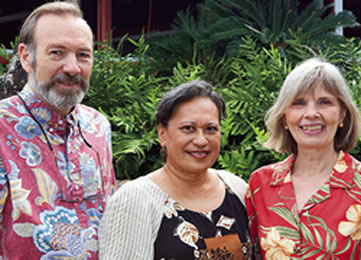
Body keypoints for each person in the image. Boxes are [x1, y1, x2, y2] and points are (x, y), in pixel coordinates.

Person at [0, 1, 116, 258]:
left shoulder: (98, 126)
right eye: (57, 53)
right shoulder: (2, 127)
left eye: (83, 55)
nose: (73, 67)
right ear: (26, 57)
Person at [245, 57, 361, 259]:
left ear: (342, 115)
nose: (311, 113)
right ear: (284, 117)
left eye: (324, 102)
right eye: (298, 103)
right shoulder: (260, 184)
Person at [99, 79, 254, 259]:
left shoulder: (237, 189)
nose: (201, 140)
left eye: (211, 129)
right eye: (188, 128)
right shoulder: (133, 200)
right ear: (162, 134)